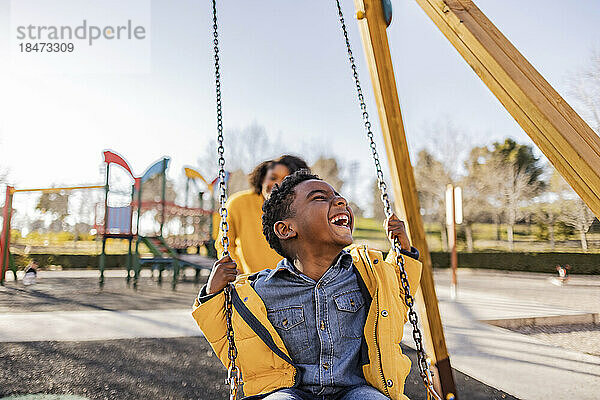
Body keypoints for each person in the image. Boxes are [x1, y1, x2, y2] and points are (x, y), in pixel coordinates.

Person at [193, 171, 422, 400]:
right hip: (288, 391)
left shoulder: (369, 275)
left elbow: (399, 296)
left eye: (338, 196)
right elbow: (229, 335)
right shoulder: (260, 290)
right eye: (320, 197)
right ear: (287, 229)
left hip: (356, 390)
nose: (341, 201)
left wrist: (404, 254)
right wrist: (212, 293)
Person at [215, 155, 310, 274]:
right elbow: (225, 245)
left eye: (286, 180)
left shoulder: (302, 209)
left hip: (292, 281)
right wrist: (236, 272)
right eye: (273, 178)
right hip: (250, 282)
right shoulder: (238, 203)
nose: (278, 184)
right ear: (262, 179)